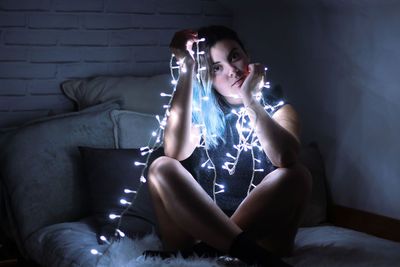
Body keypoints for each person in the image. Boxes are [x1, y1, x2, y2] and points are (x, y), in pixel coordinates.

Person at [146, 25, 312, 266]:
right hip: (196, 231)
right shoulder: (199, 114)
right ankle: (233, 250)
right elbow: (174, 152)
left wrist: (250, 99)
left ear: (247, 55)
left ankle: (209, 252)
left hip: (262, 238)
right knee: (161, 166)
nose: (232, 71)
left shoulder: (280, 110)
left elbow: (284, 156)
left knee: (298, 175)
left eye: (234, 56)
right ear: (206, 74)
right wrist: (187, 67)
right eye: (216, 68)